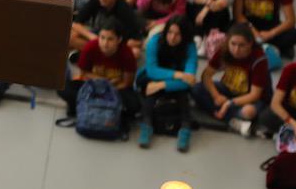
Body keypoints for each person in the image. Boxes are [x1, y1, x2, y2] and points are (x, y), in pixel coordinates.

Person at [194, 23, 271, 136]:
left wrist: (228, 104)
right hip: (228, 89)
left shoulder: (259, 60)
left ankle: (224, 114)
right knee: (196, 89)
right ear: (228, 42)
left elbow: (255, 95)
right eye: (233, 44)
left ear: (250, 44)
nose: (236, 49)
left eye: (242, 45)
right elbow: (206, 75)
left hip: (250, 97)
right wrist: (216, 95)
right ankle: (232, 120)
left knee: (248, 112)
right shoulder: (224, 50)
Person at [59, 23, 140, 129]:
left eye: (110, 39)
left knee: (135, 104)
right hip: (92, 85)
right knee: (63, 88)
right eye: (102, 38)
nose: (105, 43)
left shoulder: (127, 53)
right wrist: (103, 82)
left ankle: (114, 113)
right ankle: (79, 105)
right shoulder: (90, 47)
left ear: (119, 39)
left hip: (115, 88)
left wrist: (109, 88)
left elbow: (126, 82)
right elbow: (84, 73)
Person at [136, 17, 197, 151]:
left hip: (173, 84)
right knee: (150, 93)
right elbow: (152, 71)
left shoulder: (190, 46)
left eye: (178, 34)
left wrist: (162, 85)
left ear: (185, 35)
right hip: (157, 77)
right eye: (170, 32)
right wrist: (178, 75)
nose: (172, 37)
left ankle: (185, 129)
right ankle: (147, 125)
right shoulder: (155, 42)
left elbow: (190, 80)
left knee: (182, 96)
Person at [70, 0, 146, 55]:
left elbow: (137, 40)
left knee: (135, 52)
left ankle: (93, 54)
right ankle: (95, 55)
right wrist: (93, 37)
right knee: (71, 36)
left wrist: (115, 44)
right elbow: (75, 23)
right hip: (98, 37)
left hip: (116, 43)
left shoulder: (123, 9)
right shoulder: (96, 0)